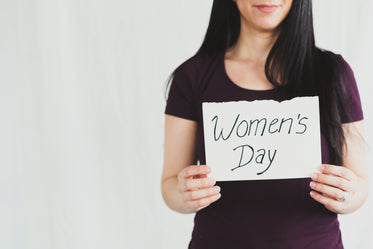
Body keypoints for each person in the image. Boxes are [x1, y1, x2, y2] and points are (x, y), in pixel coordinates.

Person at [161, 0, 369, 248]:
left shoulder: (333, 73)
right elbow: (170, 185)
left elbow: (360, 184)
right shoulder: (192, 77)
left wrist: (348, 194)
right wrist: (184, 194)